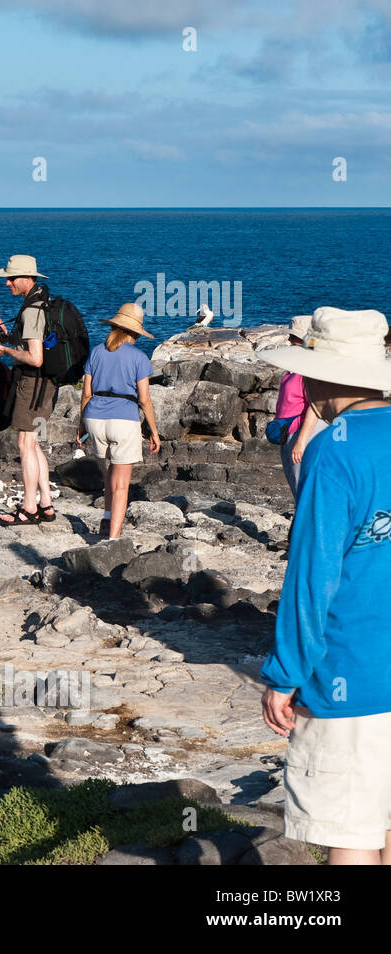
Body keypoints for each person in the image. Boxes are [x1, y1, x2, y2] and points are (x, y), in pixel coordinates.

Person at [256, 306, 391, 866]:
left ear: (325, 376)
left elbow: (313, 576)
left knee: (352, 834)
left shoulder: (333, 451)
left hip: (350, 672)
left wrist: (285, 674)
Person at [76, 303, 161, 539]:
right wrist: (153, 431)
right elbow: (144, 400)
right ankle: (113, 539)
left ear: (114, 326)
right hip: (123, 421)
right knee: (122, 483)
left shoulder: (97, 351)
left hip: (95, 419)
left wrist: (81, 424)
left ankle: (106, 516)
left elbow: (86, 393)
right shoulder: (139, 357)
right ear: (135, 332)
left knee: (111, 469)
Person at [0, 254, 58, 526]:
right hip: (46, 383)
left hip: (33, 382)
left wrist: (3, 350)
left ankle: (29, 508)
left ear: (26, 278)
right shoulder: (44, 300)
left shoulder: (31, 310)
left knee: (24, 443)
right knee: (33, 442)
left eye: (11, 278)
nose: (7, 283)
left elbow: (36, 357)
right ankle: (46, 504)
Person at [274, 315, 328, 498]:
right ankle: (303, 524)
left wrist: (301, 442)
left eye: (295, 338)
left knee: (305, 490)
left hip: (304, 434)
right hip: (289, 433)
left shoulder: (311, 369)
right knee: (298, 488)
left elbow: (315, 407)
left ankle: (307, 525)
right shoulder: (297, 365)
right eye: (291, 337)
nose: (290, 341)